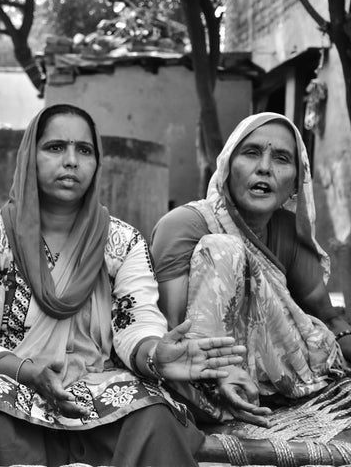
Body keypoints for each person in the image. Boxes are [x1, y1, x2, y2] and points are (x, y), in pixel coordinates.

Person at [0, 104, 248, 466]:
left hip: (97, 386)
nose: (71, 161)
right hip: (12, 385)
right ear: (29, 158)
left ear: (97, 163)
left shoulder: (122, 242)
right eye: (55, 148)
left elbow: (139, 324)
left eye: (84, 150)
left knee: (155, 416)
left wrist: (155, 353)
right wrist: (27, 372)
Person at [150, 112, 350, 426]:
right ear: (228, 167)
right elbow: (169, 329)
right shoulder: (184, 225)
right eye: (252, 153)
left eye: (281, 158)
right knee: (223, 248)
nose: (265, 168)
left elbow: (328, 316)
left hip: (284, 373)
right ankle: (216, 392)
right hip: (199, 370)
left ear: (296, 183)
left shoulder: (288, 230)